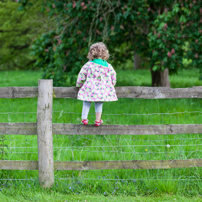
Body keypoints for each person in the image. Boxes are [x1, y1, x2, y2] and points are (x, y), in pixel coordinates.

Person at [76, 42, 118, 126]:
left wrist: (79, 84)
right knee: (99, 104)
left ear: (91, 53)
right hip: (102, 89)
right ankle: (98, 120)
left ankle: (84, 119)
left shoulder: (89, 64)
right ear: (104, 53)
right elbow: (113, 75)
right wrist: (112, 84)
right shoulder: (108, 66)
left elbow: (81, 75)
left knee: (86, 102)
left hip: (90, 88)